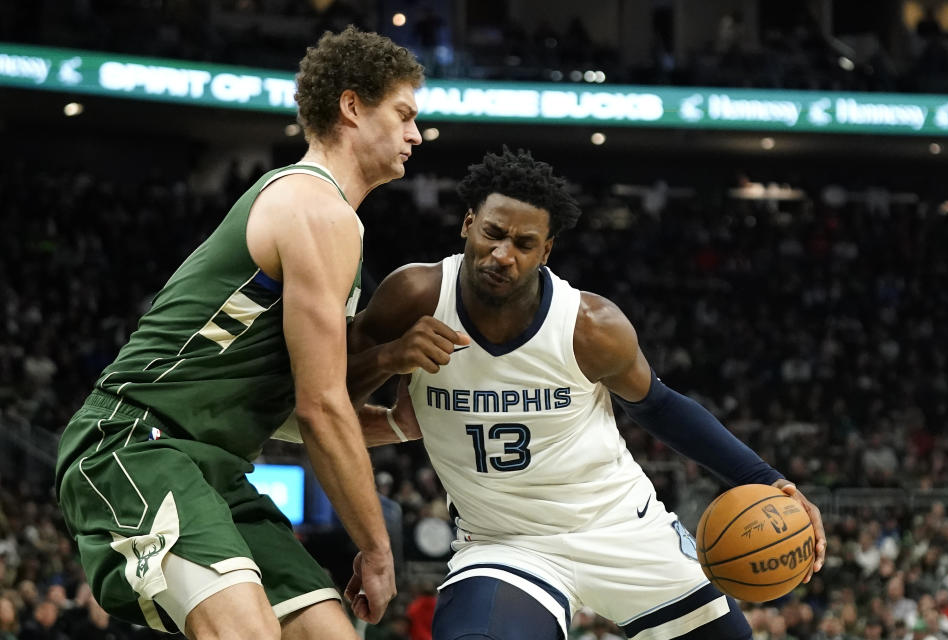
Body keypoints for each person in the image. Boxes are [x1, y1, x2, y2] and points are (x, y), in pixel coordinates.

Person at [347, 148, 827, 640]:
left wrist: (765, 478)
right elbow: (325, 394)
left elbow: (660, 406)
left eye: (524, 243)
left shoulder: (590, 326)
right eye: (492, 233)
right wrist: (387, 358)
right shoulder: (414, 296)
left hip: (621, 526)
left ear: (546, 251)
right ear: (468, 223)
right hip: (505, 543)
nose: (502, 254)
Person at [55, 26, 423, 639]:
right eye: (404, 114)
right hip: (132, 443)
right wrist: (377, 547)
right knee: (243, 631)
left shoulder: (333, 222)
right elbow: (320, 408)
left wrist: (397, 424)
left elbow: (276, 410)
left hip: (211, 466)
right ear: (353, 106)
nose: (415, 134)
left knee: (330, 634)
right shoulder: (314, 208)